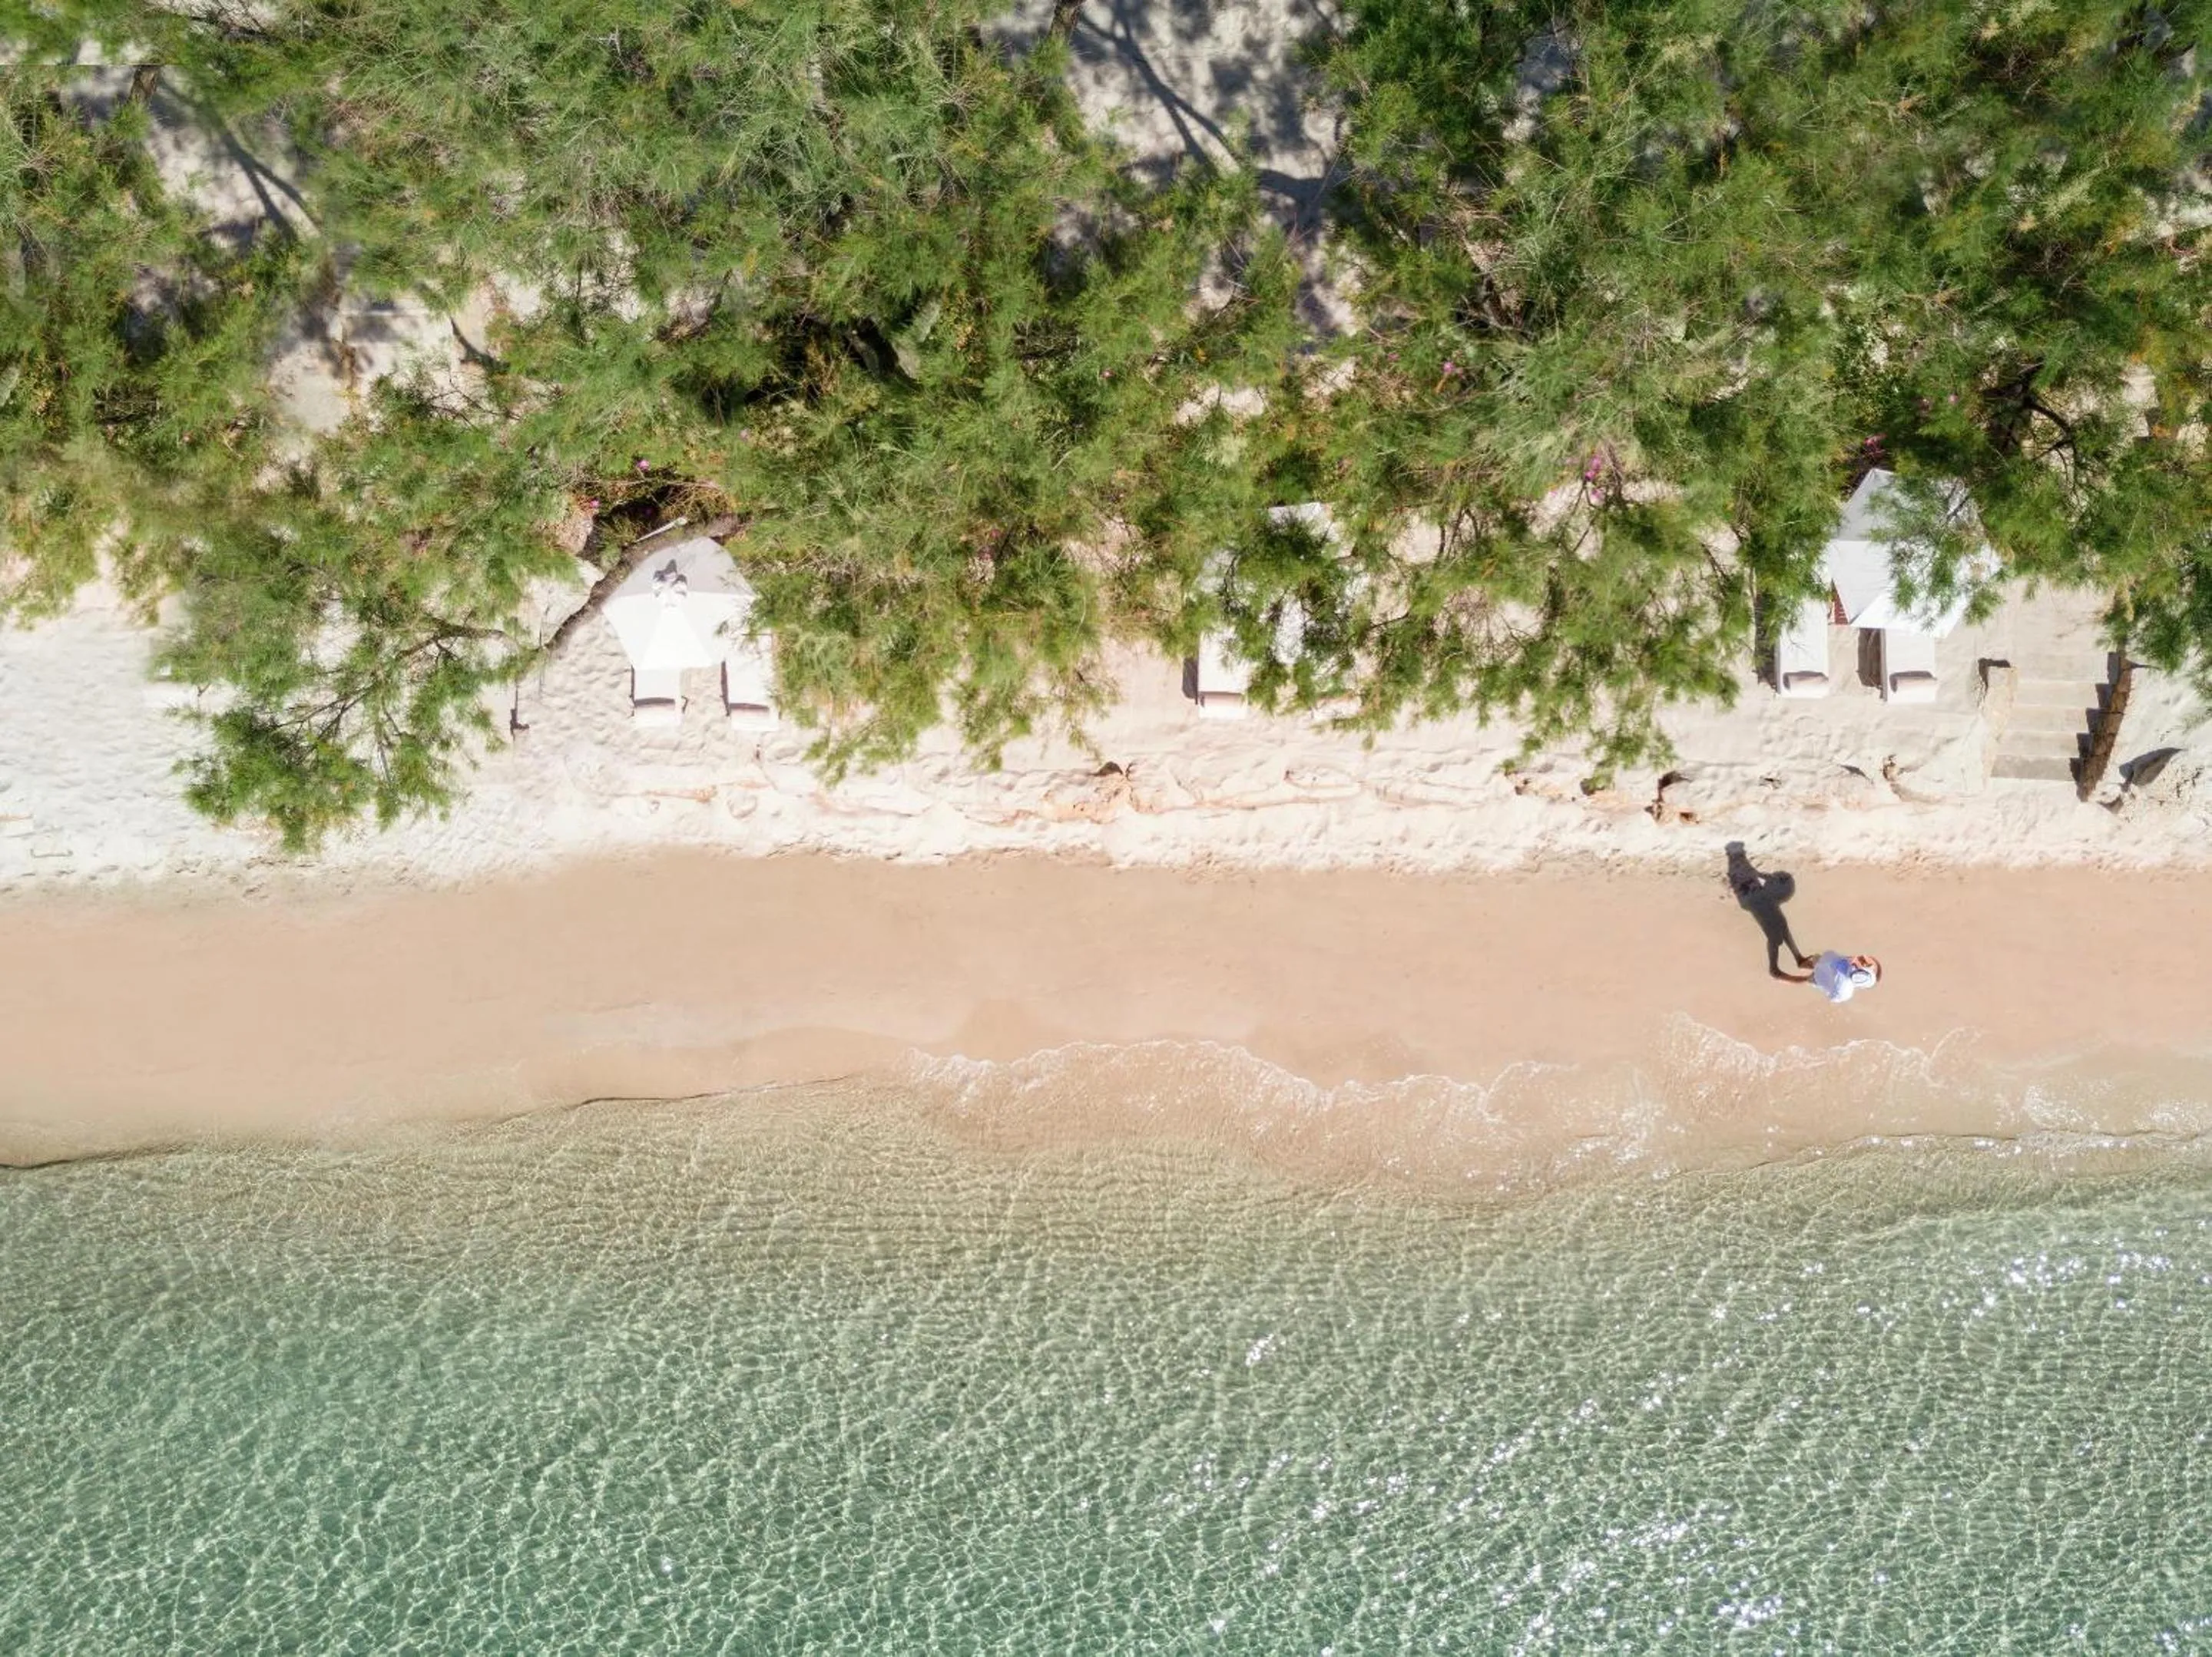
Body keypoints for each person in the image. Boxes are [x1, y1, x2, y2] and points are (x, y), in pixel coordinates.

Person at [1788, 950, 1882, 1003]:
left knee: (1817, 964)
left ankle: (1801, 966)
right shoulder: (1851, 987)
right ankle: (1784, 977)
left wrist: (1856, 961)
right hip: (1832, 985)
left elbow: (1838, 961)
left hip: (1831, 974)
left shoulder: (1851, 966)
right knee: (1807, 979)